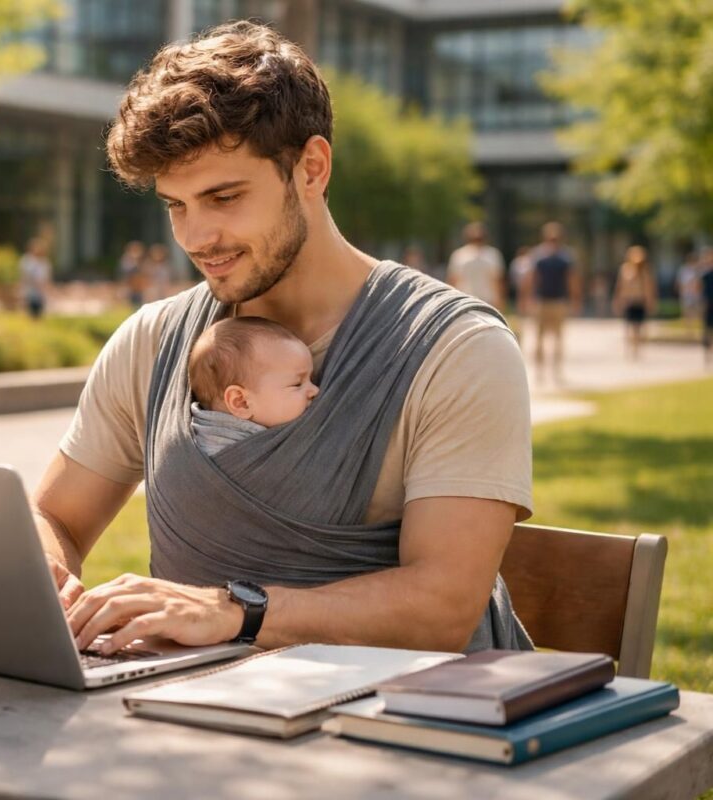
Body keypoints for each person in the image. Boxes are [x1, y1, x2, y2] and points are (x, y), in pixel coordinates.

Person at [31, 22, 533, 658]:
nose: (195, 237)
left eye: (224, 196)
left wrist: (231, 610)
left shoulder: (457, 351)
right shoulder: (154, 342)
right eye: (176, 205)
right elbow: (55, 517)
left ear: (312, 169)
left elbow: (442, 609)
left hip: (411, 731)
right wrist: (50, 583)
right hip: (189, 716)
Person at [188, 316, 320, 456]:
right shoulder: (215, 451)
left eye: (311, 379)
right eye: (297, 384)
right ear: (241, 402)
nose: (316, 390)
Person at [530, 221, 581, 384]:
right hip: (542, 300)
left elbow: (572, 279)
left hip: (558, 301)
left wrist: (575, 299)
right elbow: (532, 278)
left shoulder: (566, 257)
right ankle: (539, 371)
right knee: (539, 338)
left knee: (558, 338)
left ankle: (556, 370)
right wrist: (528, 298)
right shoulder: (538, 256)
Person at [611, 245, 657, 361]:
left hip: (639, 301)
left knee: (639, 327)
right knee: (629, 326)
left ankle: (637, 349)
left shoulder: (645, 271)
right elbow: (620, 286)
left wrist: (650, 302)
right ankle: (630, 349)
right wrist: (618, 300)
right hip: (629, 301)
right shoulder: (625, 269)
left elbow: (649, 288)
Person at [447, 222, 505, 309]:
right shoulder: (492, 254)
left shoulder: (459, 254)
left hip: (470, 299)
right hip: (473, 299)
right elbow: (497, 280)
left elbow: (453, 280)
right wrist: (500, 299)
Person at [20, 237, 52, 319]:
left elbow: (47, 278)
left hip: (41, 294)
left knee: (39, 315)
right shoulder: (27, 261)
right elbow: (25, 277)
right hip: (30, 292)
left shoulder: (44, 262)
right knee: (31, 315)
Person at [677, 252, 702, 338]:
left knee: (698, 312)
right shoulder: (684, 270)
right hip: (686, 294)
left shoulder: (698, 269)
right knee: (687, 312)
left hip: (696, 294)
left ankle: (697, 330)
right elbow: (680, 282)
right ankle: (688, 331)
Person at [119, 241, 147, 308]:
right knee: (131, 304)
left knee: (139, 303)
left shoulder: (142, 260)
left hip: (139, 287)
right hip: (130, 286)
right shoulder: (127, 260)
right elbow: (126, 272)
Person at [700, 247, 713, 366]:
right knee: (707, 330)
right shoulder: (705, 275)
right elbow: (698, 289)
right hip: (708, 304)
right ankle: (708, 353)